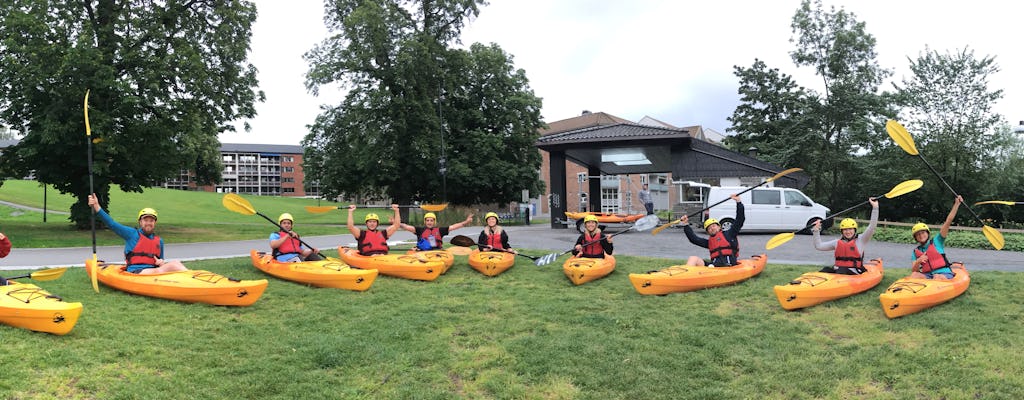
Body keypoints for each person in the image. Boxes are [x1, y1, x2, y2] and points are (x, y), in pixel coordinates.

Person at [87, 193, 188, 274]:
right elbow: (112, 224)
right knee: (162, 270)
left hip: (154, 272)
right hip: (136, 272)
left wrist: (161, 263)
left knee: (176, 263)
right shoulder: (131, 234)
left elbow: (160, 261)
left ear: (154, 223)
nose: (148, 223)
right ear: (140, 222)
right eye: (145, 220)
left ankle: (192, 278)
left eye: (151, 220)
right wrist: (96, 206)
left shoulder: (159, 241)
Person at [811, 198, 879, 275]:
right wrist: (816, 231)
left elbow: (872, 226)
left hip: (854, 271)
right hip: (839, 270)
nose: (848, 232)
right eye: (845, 230)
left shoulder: (861, 239)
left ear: (855, 230)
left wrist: (875, 208)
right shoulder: (837, 242)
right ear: (842, 231)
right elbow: (819, 246)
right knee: (825, 270)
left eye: (850, 229)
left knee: (841, 270)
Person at [680, 194, 743, 267]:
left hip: (729, 265)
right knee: (693, 258)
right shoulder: (709, 242)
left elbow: (740, 220)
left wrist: (738, 202)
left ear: (719, 227)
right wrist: (685, 224)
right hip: (714, 266)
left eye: (713, 226)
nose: (712, 228)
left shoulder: (730, 234)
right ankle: (687, 276)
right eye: (709, 228)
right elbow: (693, 239)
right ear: (708, 232)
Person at [909, 195, 963, 280]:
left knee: (937, 276)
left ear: (927, 233)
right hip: (928, 275)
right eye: (918, 234)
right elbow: (914, 270)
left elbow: (948, 222)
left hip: (944, 273)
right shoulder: (916, 252)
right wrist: (918, 261)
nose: (921, 235)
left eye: (923, 232)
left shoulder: (937, 241)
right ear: (915, 238)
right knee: (914, 276)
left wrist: (956, 204)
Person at [399, 211, 473, 251]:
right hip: (422, 250)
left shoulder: (440, 230)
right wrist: (397, 223)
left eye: (431, 220)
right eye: (427, 220)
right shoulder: (420, 230)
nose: (429, 222)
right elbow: (406, 227)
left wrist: (466, 222)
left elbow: (454, 227)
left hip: (436, 251)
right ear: (425, 222)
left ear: (434, 222)